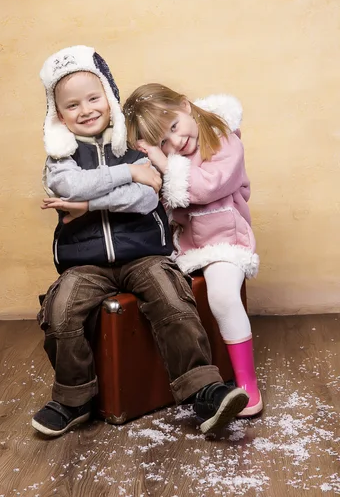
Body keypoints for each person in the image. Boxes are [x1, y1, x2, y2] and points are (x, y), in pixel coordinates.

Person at [32, 45, 249, 437]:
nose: (86, 110)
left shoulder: (132, 142)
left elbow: (147, 197)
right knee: (61, 310)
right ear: (58, 114)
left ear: (109, 97)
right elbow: (66, 184)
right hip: (84, 262)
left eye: (94, 98)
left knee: (171, 297)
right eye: (72, 105)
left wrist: (87, 202)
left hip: (143, 254)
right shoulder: (61, 157)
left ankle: (204, 390)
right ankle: (73, 397)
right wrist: (125, 176)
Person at [123, 83, 262, 417]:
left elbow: (204, 187)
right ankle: (185, 379)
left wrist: (162, 161)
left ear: (184, 106)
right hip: (184, 246)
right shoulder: (170, 159)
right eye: (163, 143)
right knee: (158, 294)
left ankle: (247, 384)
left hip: (224, 242)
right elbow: (161, 201)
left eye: (173, 127)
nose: (176, 143)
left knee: (223, 296)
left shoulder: (225, 140)